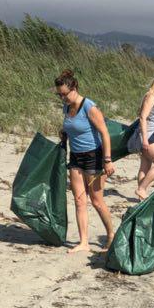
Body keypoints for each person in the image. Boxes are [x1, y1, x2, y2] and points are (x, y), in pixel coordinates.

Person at [56, 69, 116, 255]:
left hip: (94, 157)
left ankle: (111, 235)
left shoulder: (89, 107)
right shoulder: (67, 107)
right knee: (79, 200)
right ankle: (84, 242)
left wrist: (107, 160)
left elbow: (105, 133)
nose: (62, 98)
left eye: (64, 94)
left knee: (97, 201)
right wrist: (64, 133)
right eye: (59, 95)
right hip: (75, 157)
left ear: (74, 88)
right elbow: (71, 126)